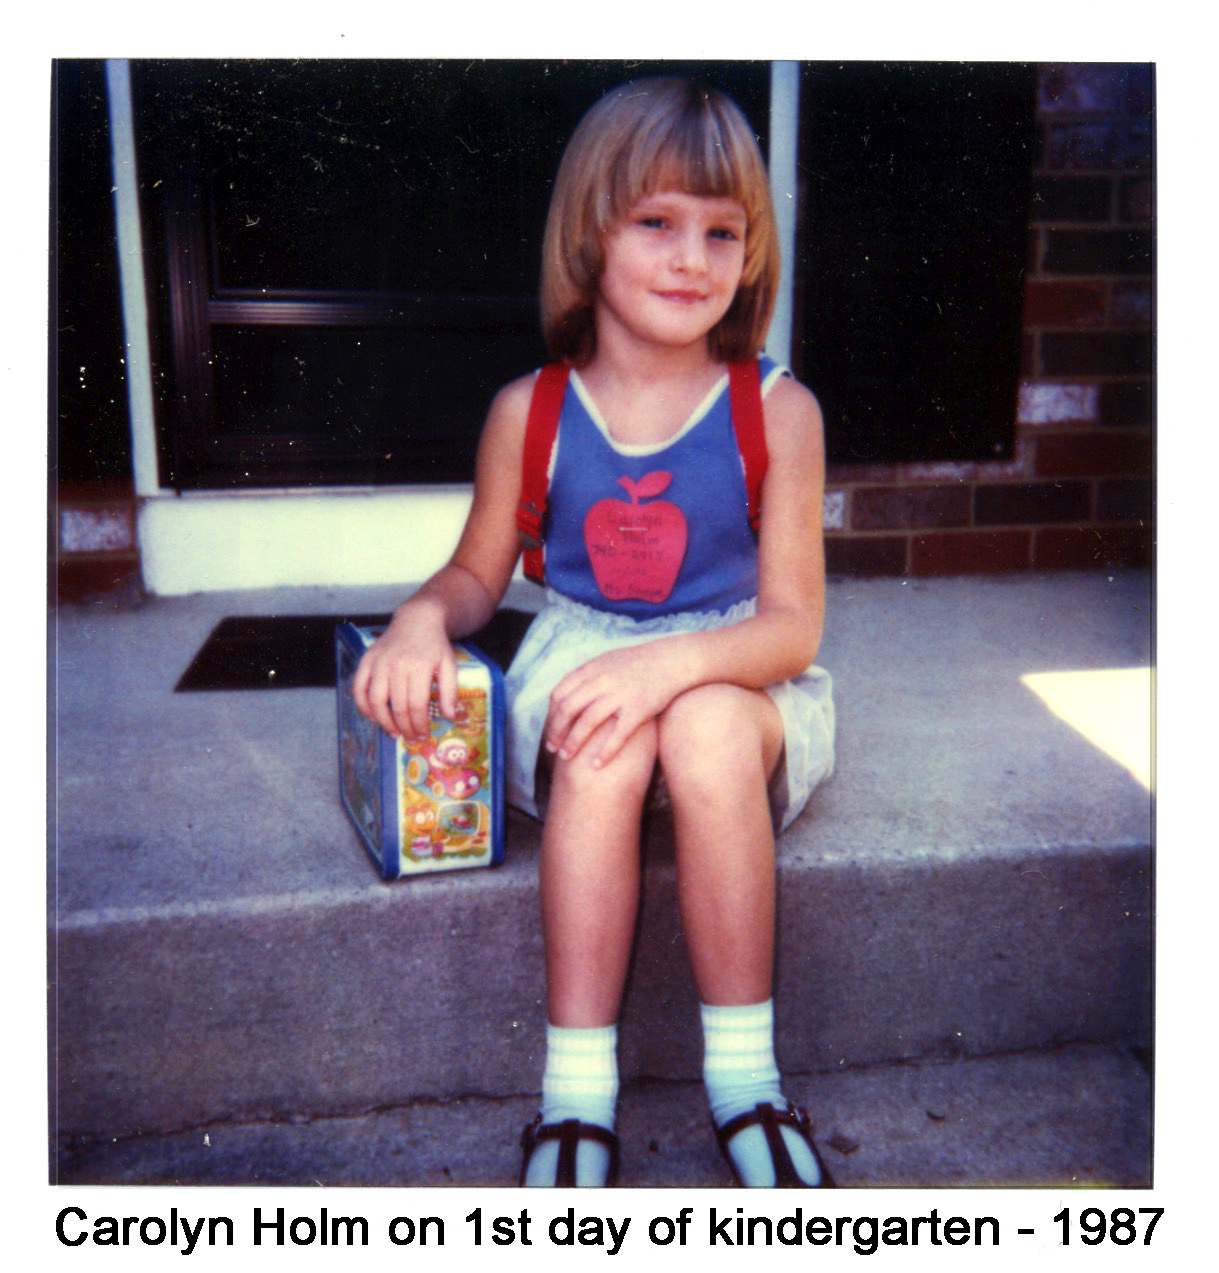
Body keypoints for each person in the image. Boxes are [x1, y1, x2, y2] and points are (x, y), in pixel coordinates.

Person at [353, 77, 835, 1188]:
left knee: (706, 727)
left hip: (734, 670)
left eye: (724, 232)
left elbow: (792, 627)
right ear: (590, 235)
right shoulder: (534, 413)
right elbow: (479, 573)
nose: (692, 258)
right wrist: (422, 618)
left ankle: (745, 1080)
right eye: (656, 222)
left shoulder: (780, 411)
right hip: (586, 662)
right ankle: (575, 1096)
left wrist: (668, 662)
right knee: (604, 740)